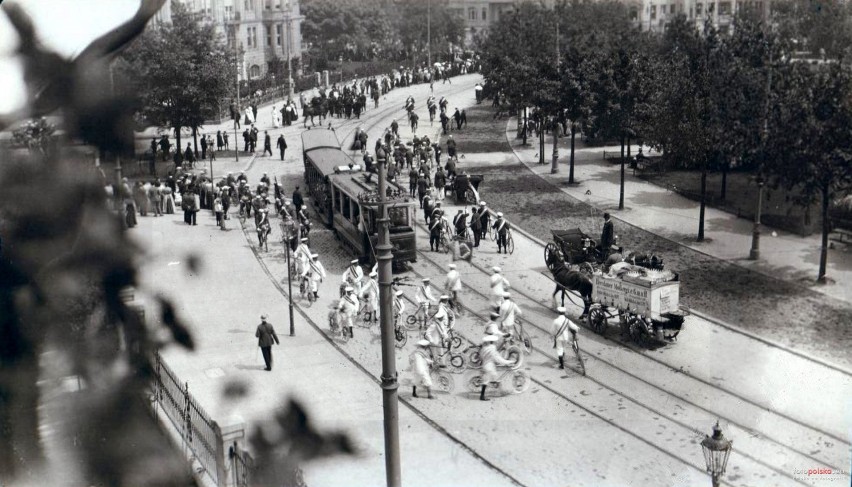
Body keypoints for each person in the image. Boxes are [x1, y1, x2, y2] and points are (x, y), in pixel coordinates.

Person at [479, 335, 515, 401]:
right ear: (492, 342)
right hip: (490, 367)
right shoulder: (492, 349)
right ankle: (500, 392)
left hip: (484, 365)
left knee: (486, 381)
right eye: (494, 342)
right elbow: (499, 359)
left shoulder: (484, 348)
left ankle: (483, 395)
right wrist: (508, 362)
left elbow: (481, 356)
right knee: (496, 379)